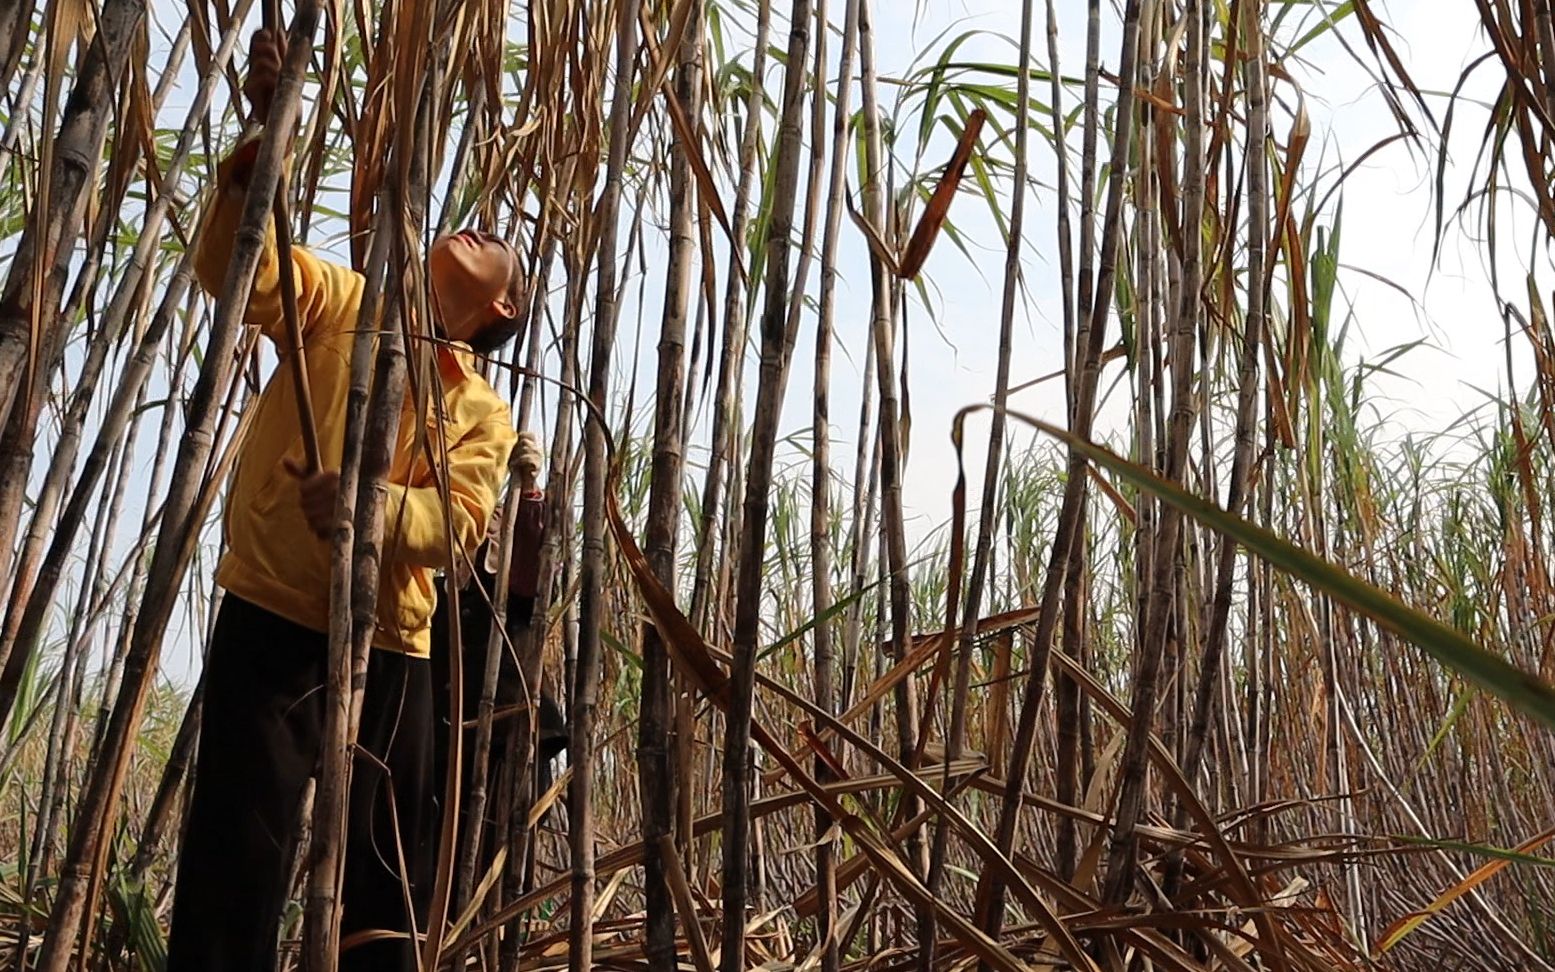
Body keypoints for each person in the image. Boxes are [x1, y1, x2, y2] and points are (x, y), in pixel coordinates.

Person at [165, 29, 541, 972]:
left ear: (500, 312)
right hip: (272, 613)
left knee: (387, 873)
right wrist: (262, 146)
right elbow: (237, 277)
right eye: (475, 224)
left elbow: (456, 531)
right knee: (234, 862)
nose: (479, 228)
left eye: (499, 249)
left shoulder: (479, 410)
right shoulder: (341, 301)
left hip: (389, 646)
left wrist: (369, 510)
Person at [429, 486, 569, 881]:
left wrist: (528, 492)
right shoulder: (436, 595)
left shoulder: (514, 589)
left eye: (492, 522)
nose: (482, 530)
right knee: (438, 867)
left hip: (510, 746)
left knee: (496, 869)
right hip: (445, 749)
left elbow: (531, 557)